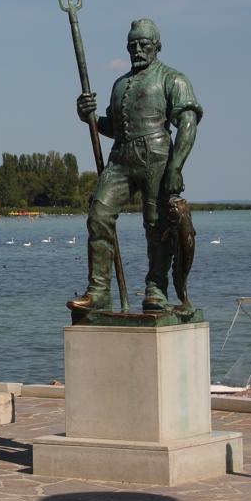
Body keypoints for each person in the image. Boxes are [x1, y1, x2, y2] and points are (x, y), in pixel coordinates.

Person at [68, 19, 202, 313]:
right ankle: (99, 291)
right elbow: (115, 128)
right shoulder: (119, 85)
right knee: (98, 214)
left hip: (156, 156)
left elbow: (188, 125)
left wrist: (175, 167)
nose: (138, 50)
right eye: (132, 45)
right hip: (121, 158)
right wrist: (89, 117)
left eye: (144, 44)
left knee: (157, 226)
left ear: (157, 46)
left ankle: (156, 288)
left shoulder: (173, 79)